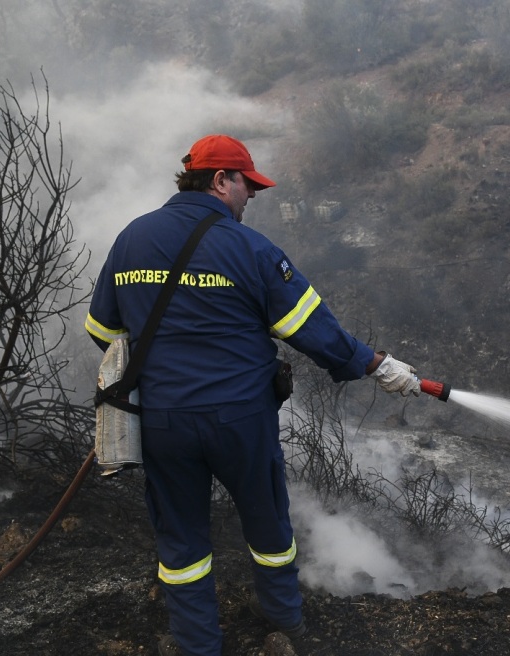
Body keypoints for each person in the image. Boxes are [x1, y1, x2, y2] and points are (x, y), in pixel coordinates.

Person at [84, 134, 421, 656]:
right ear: (221, 181)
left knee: (181, 542)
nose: (253, 197)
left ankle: (198, 645)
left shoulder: (131, 239)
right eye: (249, 186)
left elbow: (103, 331)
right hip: (240, 419)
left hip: (164, 422)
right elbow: (313, 331)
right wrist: (376, 364)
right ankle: (285, 621)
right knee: (267, 524)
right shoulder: (251, 249)